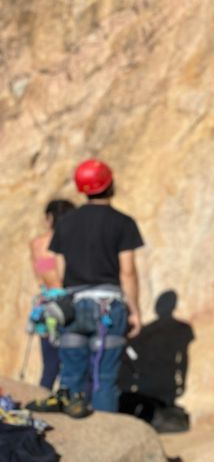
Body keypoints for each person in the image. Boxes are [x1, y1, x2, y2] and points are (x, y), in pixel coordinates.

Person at [28, 159, 144, 418]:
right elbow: (127, 271)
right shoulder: (122, 222)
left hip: (68, 305)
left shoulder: (50, 236)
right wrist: (134, 310)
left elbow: (51, 270)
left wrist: (59, 295)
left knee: (63, 373)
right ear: (110, 183)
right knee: (103, 378)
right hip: (107, 304)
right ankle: (102, 436)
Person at [28, 199, 75, 389]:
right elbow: (64, 275)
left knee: (50, 364)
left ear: (49, 218)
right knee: (73, 362)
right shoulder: (71, 241)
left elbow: (42, 274)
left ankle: (43, 399)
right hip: (68, 304)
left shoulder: (37, 244)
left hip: (46, 303)